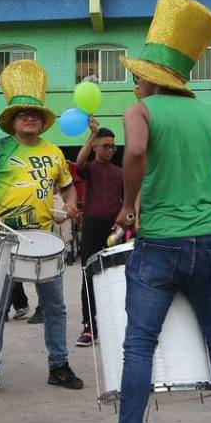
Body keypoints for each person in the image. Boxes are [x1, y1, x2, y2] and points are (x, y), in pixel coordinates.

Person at [85, 0, 211, 423]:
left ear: (147, 78)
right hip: (208, 243)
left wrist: (128, 202)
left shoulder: (141, 112)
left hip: (158, 242)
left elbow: (134, 154)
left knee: (139, 345)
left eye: (135, 76)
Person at [0, 59, 84, 395]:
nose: (29, 117)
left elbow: (67, 185)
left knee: (54, 306)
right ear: (13, 121)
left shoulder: (55, 152)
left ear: (42, 120)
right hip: (4, 238)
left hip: (46, 239)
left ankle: (58, 366)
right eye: (22, 114)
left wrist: (72, 202)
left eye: (34, 113)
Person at [74, 119, 123, 347]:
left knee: (115, 276)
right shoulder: (90, 169)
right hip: (92, 228)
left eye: (113, 146)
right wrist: (92, 134)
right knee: (89, 276)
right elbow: (80, 162)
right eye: (105, 146)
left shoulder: (120, 173)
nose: (110, 150)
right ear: (95, 147)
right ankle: (89, 327)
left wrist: (122, 225)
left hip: (114, 231)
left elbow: (127, 202)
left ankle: (115, 322)